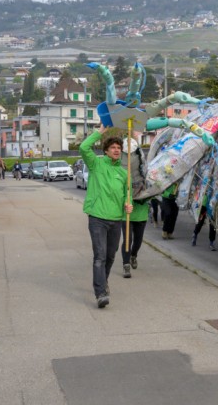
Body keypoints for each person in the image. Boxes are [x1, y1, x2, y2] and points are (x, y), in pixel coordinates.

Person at [79, 127, 133, 308]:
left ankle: (104, 281)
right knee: (100, 256)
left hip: (116, 219)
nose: (117, 150)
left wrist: (129, 203)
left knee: (110, 256)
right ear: (106, 151)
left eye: (119, 147)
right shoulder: (96, 164)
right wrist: (100, 132)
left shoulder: (124, 173)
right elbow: (83, 148)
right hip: (97, 218)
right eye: (113, 147)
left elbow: (127, 193)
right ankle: (100, 292)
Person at [121, 198, 149, 277]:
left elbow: (155, 191)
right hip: (127, 215)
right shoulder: (125, 184)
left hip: (141, 215)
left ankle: (133, 256)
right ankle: (126, 265)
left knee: (138, 241)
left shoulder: (148, 184)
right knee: (127, 240)